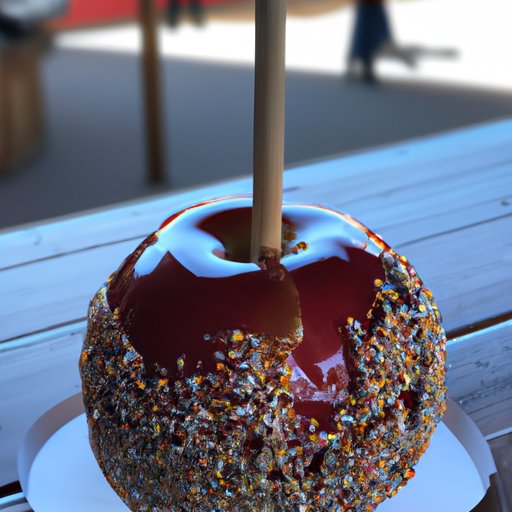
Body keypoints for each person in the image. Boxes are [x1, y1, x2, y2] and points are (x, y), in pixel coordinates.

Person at [347, 0, 413, 82]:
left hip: (373, 5)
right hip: (368, 5)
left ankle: (362, 64)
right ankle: (360, 64)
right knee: (364, 34)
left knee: (369, 35)